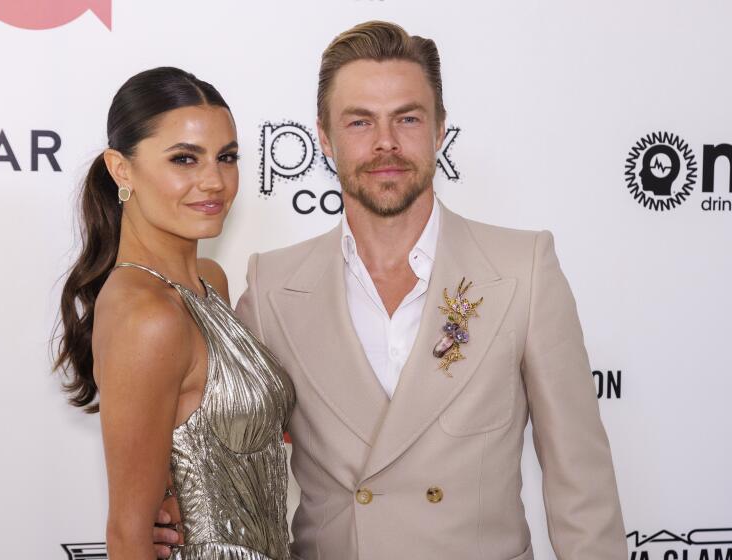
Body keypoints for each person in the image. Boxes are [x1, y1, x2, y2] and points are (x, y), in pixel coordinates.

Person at [154, 21, 628, 560]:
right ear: (325, 139)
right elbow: (227, 448)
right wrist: (174, 506)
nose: (386, 143)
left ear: (440, 131)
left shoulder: (524, 269)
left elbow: (580, 482)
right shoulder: (273, 287)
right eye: (360, 122)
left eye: (407, 118)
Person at [54, 67, 295, 560]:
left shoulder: (210, 282)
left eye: (226, 157)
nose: (214, 181)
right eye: (184, 159)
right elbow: (128, 534)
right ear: (121, 170)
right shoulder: (146, 314)